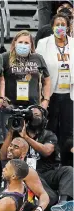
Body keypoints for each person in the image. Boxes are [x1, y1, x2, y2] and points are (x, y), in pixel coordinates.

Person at [17, 106, 74, 211]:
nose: (34, 116)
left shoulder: (49, 134)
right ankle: (53, 202)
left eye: (37, 115)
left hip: (48, 173)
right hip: (30, 174)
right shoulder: (18, 132)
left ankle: (62, 203)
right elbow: (4, 155)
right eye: (31, 114)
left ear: (44, 119)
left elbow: (47, 151)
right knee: (50, 196)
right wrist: (11, 133)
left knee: (68, 170)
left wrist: (26, 138)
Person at [1, 30, 51, 138]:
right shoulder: (5, 58)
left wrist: (46, 100)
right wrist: (2, 99)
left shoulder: (38, 58)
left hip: (33, 108)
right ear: (14, 43)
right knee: (10, 141)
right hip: (10, 107)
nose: (23, 45)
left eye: (26, 43)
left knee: (32, 140)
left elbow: (46, 80)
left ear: (31, 45)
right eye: (20, 42)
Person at [36, 13, 74, 149]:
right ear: (52, 27)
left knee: (68, 130)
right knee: (50, 128)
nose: (60, 27)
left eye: (63, 25)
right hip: (50, 93)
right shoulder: (43, 43)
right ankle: (50, 160)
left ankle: (65, 161)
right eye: (57, 25)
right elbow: (38, 70)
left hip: (70, 94)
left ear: (68, 27)